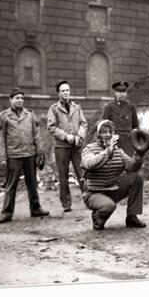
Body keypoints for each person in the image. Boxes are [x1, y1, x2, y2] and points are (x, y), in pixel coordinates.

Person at [0, 88, 50, 224]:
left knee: (32, 183)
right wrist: (2, 158)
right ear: (11, 100)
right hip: (14, 155)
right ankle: (6, 213)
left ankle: (36, 208)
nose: (20, 100)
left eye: (21, 98)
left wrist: (40, 152)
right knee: (11, 185)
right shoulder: (4, 116)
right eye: (17, 98)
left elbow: (36, 134)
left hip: (29, 154)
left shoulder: (29, 115)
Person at [81, 120, 147, 230]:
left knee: (137, 177)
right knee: (108, 206)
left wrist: (139, 154)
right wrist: (107, 152)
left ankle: (132, 217)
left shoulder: (118, 150)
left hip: (113, 189)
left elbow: (131, 167)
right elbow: (90, 164)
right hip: (94, 192)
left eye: (109, 131)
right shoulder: (88, 149)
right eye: (103, 132)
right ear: (97, 134)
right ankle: (97, 217)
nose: (107, 134)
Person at [47, 80, 87, 212]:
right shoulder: (54, 109)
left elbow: (83, 123)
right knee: (63, 176)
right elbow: (51, 127)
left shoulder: (77, 107)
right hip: (61, 147)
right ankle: (66, 204)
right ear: (58, 93)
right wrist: (66, 136)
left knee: (82, 173)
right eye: (63, 90)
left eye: (67, 90)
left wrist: (80, 136)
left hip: (76, 146)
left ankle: (89, 199)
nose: (66, 93)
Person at [102, 81, 139, 156]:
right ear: (115, 93)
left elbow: (135, 126)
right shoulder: (109, 107)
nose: (122, 94)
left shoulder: (131, 107)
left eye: (124, 92)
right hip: (115, 141)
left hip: (128, 141)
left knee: (129, 164)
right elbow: (105, 127)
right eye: (119, 92)